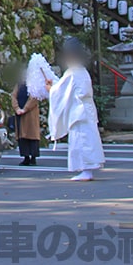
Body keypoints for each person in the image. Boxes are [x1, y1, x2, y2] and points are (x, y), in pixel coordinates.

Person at [46, 37, 105, 181]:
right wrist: (54, 85)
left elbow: (59, 92)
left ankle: (86, 170)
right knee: (87, 139)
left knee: (81, 140)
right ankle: (87, 169)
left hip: (79, 111)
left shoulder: (73, 72)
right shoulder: (82, 71)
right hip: (86, 110)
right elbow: (64, 87)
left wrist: (50, 89)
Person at [11, 72, 41, 166]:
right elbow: (13, 96)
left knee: (32, 135)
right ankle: (26, 157)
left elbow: (34, 98)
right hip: (20, 113)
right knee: (22, 136)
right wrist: (17, 108)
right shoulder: (19, 84)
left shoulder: (34, 85)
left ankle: (33, 157)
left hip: (30, 114)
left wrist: (25, 109)